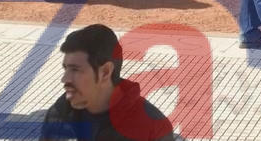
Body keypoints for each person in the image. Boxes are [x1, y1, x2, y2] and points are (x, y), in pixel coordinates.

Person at [40, 23, 175, 140]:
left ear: (105, 72)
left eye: (75, 70)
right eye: (66, 69)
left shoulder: (152, 128)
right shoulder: (60, 113)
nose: (65, 79)